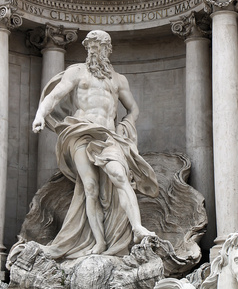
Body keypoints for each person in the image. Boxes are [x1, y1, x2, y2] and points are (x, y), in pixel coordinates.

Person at [32, 30, 159, 259]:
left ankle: (137, 228)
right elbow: (55, 95)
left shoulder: (119, 80)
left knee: (119, 176)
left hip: (108, 136)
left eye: (97, 46)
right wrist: (40, 115)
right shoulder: (76, 72)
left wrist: (126, 123)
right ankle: (99, 242)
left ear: (107, 49)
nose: (92, 50)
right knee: (89, 187)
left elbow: (134, 109)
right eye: (89, 46)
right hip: (80, 132)